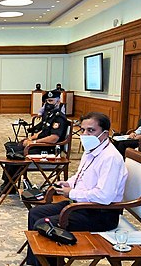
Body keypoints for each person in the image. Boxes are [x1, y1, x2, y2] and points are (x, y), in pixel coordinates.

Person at [26, 112, 127, 266]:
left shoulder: (110, 158)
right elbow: (81, 175)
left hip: (100, 213)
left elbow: (105, 196)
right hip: (80, 205)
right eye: (83, 130)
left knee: (44, 223)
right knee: (35, 213)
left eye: (91, 130)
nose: (85, 134)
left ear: (105, 133)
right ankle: (38, 263)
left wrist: (71, 192)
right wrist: (69, 183)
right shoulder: (92, 150)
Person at [0, 90, 69, 195]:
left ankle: (8, 186)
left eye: (51, 101)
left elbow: (53, 138)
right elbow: (43, 131)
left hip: (48, 149)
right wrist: (29, 139)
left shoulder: (59, 117)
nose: (48, 103)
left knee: (16, 155)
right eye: (47, 101)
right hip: (41, 145)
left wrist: (33, 142)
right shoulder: (50, 115)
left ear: (58, 101)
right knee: (13, 148)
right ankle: (8, 183)